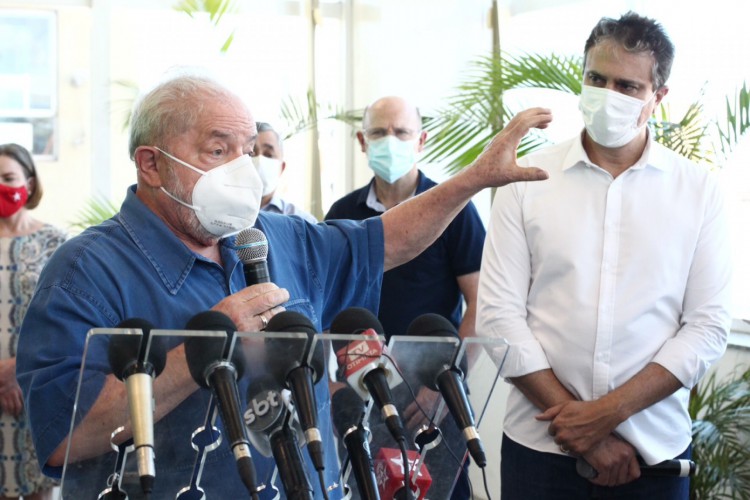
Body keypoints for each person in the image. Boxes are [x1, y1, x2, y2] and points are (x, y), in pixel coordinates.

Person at [15, 74, 551, 499]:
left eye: (248, 149)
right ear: (152, 164)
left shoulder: (276, 238)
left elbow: (388, 240)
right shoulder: (86, 270)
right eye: (218, 150)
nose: (244, 170)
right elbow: (65, 437)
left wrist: (472, 180)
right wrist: (204, 349)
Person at [476, 12, 732, 500]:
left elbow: (707, 325)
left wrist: (607, 414)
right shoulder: (527, 181)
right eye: (597, 78)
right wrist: (583, 432)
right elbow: (498, 316)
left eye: (628, 86)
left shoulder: (698, 192)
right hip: (540, 449)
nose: (607, 94)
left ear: (658, 98)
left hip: (652, 453)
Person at [325, 96, 485, 498]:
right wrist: (333, 386)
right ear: (362, 141)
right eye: (378, 132)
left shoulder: (453, 208)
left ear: (421, 141)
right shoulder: (342, 213)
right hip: (362, 391)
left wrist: (447, 386)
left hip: (430, 396)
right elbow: (327, 305)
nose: (389, 141)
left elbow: (481, 305)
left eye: (401, 132)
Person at [0, 144, 66, 500]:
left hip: (35, 388)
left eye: (7, 178)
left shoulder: (54, 243)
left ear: (28, 181)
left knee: (38, 490)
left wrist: (15, 371)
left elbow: (65, 322)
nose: (1, 186)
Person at [253, 121, 317, 223]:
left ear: (281, 168)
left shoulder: (303, 223)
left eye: (268, 154)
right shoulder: (220, 215)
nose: (259, 160)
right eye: (251, 153)